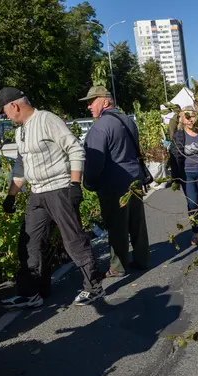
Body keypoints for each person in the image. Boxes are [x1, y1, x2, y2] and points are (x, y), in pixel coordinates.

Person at [0, 87, 104, 308]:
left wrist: (75, 184)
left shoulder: (47, 120)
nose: (5, 116)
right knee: (30, 242)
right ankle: (31, 293)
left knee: (73, 240)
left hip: (59, 189)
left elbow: (75, 149)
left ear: (14, 106)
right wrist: (11, 197)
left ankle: (93, 287)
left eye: (5, 111)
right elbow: (20, 166)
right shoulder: (21, 131)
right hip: (37, 193)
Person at [80, 86, 150, 278]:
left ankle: (118, 267)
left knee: (117, 225)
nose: (89, 106)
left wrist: (89, 183)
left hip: (114, 183)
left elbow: (95, 160)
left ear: (105, 101)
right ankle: (142, 258)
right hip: (134, 178)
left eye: (91, 101)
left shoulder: (100, 126)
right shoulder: (127, 120)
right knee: (137, 222)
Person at [169, 106, 198, 245]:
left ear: (197, 118)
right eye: (186, 117)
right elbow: (173, 156)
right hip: (186, 173)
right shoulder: (178, 134)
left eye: (192, 116)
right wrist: (175, 178)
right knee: (192, 203)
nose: (190, 120)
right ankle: (196, 232)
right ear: (182, 119)